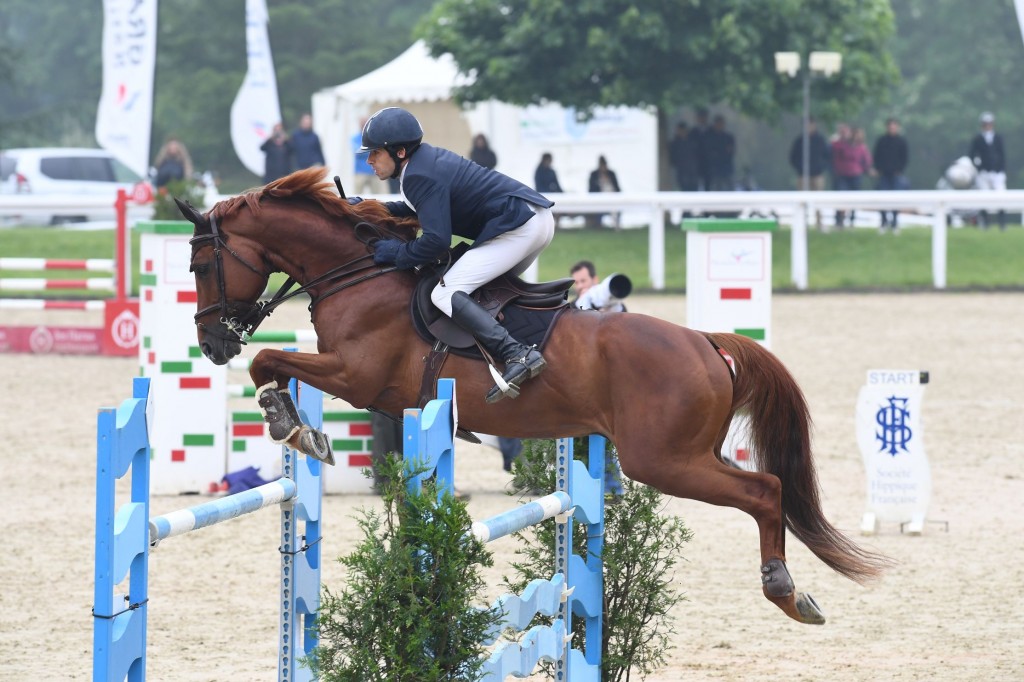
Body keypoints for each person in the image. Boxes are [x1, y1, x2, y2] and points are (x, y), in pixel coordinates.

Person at [356, 107, 556, 403]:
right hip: (533, 219)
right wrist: (367, 207)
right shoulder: (421, 164)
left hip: (518, 227)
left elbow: (436, 241)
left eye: (374, 152)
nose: (369, 159)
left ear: (398, 152)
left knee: (445, 294)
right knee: (482, 292)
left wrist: (397, 253)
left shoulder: (417, 175)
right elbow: (417, 210)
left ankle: (517, 354)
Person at [788, 116, 830, 228]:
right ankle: (802, 222)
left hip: (817, 175)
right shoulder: (800, 141)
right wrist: (800, 168)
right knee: (801, 201)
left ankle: (819, 223)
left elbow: (827, 156)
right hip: (803, 175)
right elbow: (793, 157)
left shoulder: (820, 140)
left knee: (819, 201)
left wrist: (821, 168)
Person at [969, 111, 1008, 230]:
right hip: (983, 172)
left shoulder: (998, 138)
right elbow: (972, 155)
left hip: (997, 172)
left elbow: (1002, 155)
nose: (987, 126)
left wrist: (1001, 169)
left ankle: (1002, 223)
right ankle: (985, 223)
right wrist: (978, 167)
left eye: (989, 123)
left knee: (1001, 196)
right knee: (984, 197)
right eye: (985, 123)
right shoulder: (978, 139)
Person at [872, 117, 910, 233]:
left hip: (896, 174)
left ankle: (894, 222)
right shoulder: (882, 141)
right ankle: (883, 221)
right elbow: (876, 156)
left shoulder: (901, 142)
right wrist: (878, 169)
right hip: (883, 174)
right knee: (882, 199)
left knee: (896, 199)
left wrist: (900, 169)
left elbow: (905, 158)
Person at [586, 155, 621, 229]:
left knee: (615, 208)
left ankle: (616, 225)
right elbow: (591, 190)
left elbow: (617, 188)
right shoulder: (594, 175)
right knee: (599, 208)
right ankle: (598, 225)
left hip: (612, 198)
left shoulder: (611, 174)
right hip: (599, 199)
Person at [705, 114, 736, 191]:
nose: (720, 125)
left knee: (730, 188)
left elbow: (731, 151)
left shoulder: (729, 137)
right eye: (718, 123)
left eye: (721, 123)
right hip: (715, 168)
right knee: (717, 189)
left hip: (727, 167)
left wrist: (720, 152)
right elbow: (710, 152)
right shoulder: (710, 138)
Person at [668, 121, 700, 191]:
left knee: (694, 189)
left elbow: (698, 155)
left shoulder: (693, 142)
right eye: (680, 130)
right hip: (681, 171)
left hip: (693, 171)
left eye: (683, 130)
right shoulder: (675, 143)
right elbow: (673, 158)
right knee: (684, 189)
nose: (682, 132)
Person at [692, 108, 712, 191]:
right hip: (696, 162)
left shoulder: (711, 131)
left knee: (708, 185)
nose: (702, 119)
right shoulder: (693, 132)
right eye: (700, 117)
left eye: (704, 117)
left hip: (709, 163)